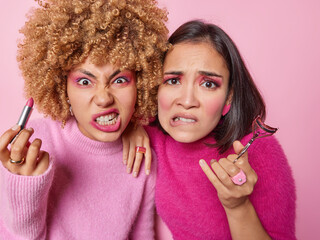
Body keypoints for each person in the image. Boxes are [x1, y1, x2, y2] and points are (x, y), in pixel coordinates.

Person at [0, 0, 168, 239]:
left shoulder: (141, 155)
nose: (104, 98)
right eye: (85, 81)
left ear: (141, 83)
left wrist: (136, 126)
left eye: (120, 80)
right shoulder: (36, 143)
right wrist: (25, 193)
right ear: (62, 87)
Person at [123, 20, 296, 240]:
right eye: (173, 80)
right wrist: (130, 126)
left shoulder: (259, 150)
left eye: (208, 84)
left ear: (229, 96)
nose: (187, 101)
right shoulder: (151, 137)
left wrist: (238, 206)